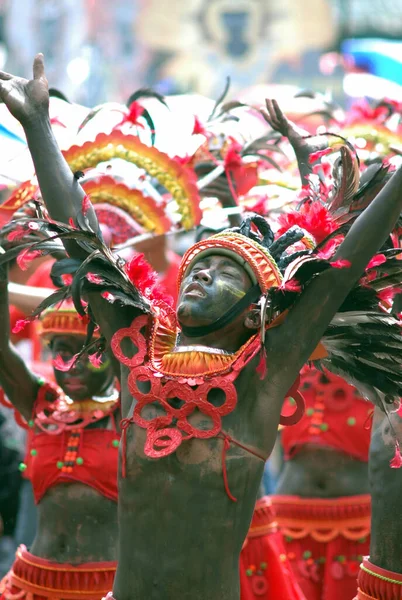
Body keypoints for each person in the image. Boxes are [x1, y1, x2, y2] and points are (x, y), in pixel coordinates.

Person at [2, 55, 402, 600]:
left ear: (254, 310)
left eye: (221, 275)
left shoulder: (261, 376)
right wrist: (37, 126)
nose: (198, 277)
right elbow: (82, 240)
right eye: (196, 268)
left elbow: (342, 267)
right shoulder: (135, 356)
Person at [0, 256, 120, 600]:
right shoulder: (41, 407)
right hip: (32, 585)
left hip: (109, 588)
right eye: (63, 352)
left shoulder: (132, 416)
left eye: (91, 353)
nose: (73, 367)